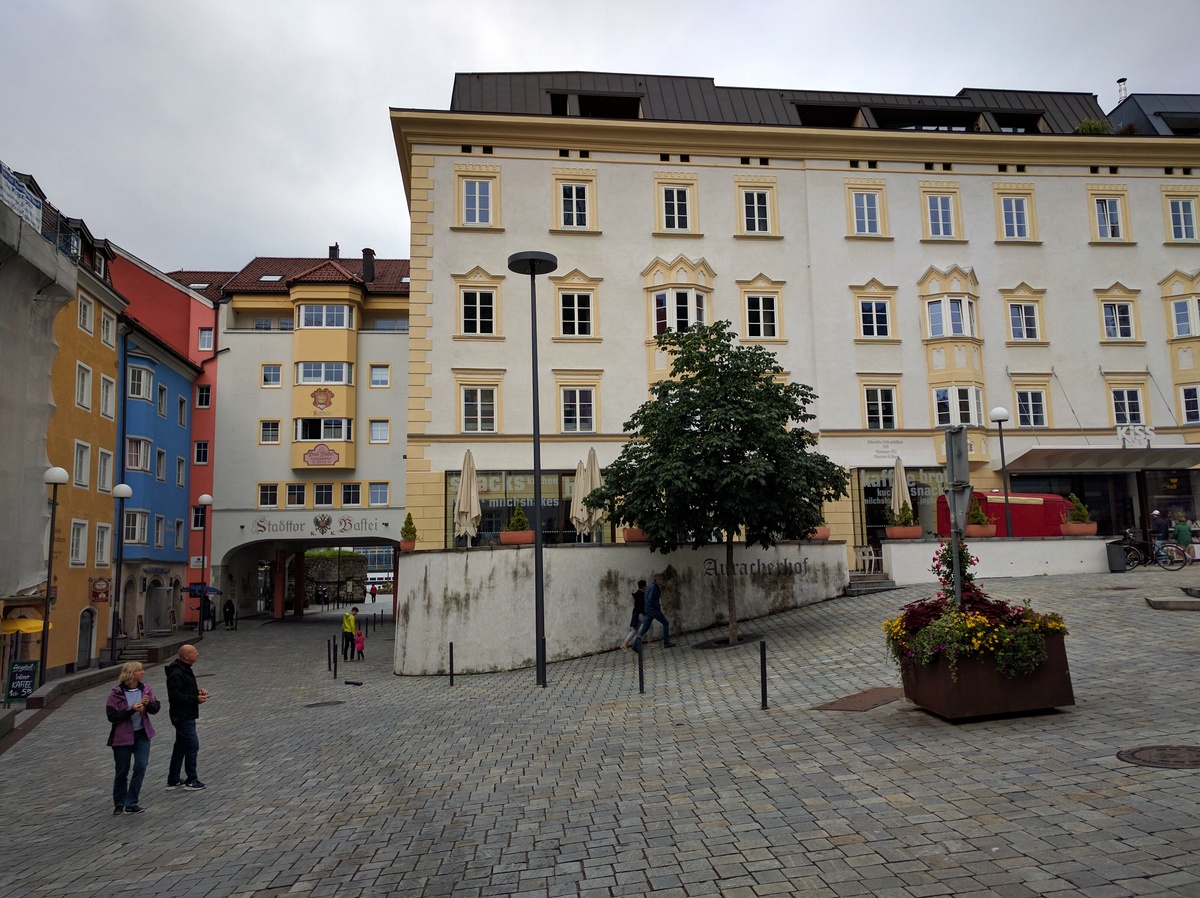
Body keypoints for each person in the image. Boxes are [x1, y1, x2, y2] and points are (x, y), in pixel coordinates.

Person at [106, 662, 161, 814]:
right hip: (122, 737)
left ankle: (132, 802)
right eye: (139, 670)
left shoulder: (146, 689)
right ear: (130, 673)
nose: (142, 672)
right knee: (122, 771)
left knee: (141, 766)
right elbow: (112, 716)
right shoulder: (116, 693)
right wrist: (132, 709)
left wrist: (148, 704)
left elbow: (156, 708)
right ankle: (119, 803)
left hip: (142, 734)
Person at [165, 644, 208, 790]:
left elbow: (185, 690)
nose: (197, 654)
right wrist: (195, 698)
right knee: (192, 744)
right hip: (182, 715)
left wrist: (197, 693)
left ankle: (173, 779)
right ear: (186, 656)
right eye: (195, 652)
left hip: (186, 713)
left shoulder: (184, 669)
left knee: (181, 746)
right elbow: (176, 696)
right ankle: (191, 779)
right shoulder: (177, 672)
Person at [631, 573, 672, 650]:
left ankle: (635, 645)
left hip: (648, 610)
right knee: (665, 623)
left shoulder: (650, 586)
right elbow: (650, 599)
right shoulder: (654, 587)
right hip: (653, 609)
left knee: (645, 627)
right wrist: (656, 607)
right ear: (658, 580)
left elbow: (646, 598)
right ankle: (666, 643)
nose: (662, 581)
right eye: (662, 580)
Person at [621, 580, 646, 650]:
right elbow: (641, 606)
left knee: (635, 630)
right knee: (648, 626)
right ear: (643, 586)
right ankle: (647, 643)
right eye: (645, 586)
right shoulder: (641, 595)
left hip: (635, 614)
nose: (646, 587)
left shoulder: (637, 594)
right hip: (640, 614)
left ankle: (625, 644)